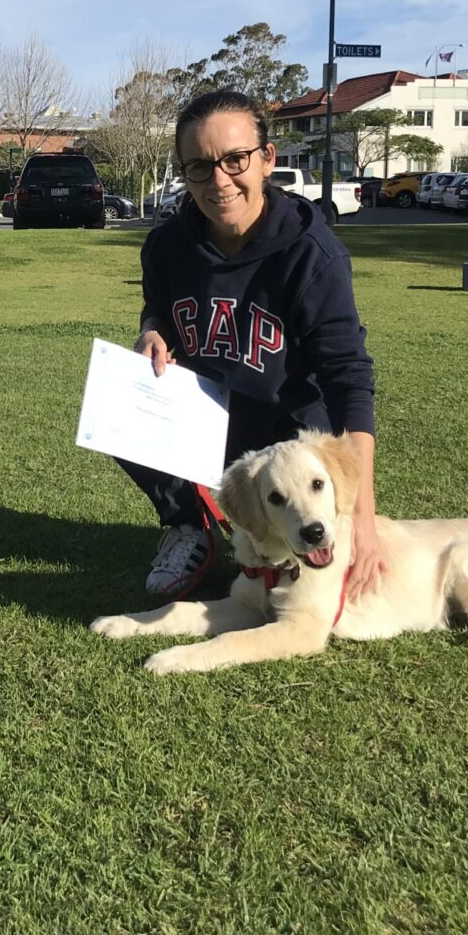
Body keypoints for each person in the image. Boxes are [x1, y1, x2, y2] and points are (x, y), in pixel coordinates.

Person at [123, 89, 385, 600]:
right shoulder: (167, 245)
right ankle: (188, 524)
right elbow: (158, 309)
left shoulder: (312, 253)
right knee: (121, 398)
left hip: (286, 432)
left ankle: (290, 524)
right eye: (200, 166)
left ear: (266, 159)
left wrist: (363, 517)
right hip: (211, 416)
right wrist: (151, 331)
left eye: (234, 159)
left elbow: (349, 380)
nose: (219, 180)